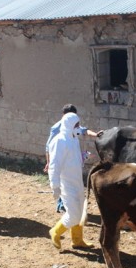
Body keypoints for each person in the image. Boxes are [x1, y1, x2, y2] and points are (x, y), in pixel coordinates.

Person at [44, 104, 102, 213]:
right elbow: (49, 147)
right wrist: (49, 162)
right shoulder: (57, 131)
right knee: (65, 186)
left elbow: (84, 131)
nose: (78, 125)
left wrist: (95, 136)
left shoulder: (74, 130)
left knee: (73, 194)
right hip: (63, 166)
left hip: (73, 169)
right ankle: (63, 208)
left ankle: (69, 211)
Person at [48, 112, 92, 250]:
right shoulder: (59, 141)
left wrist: (83, 156)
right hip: (66, 184)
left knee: (80, 212)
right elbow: (54, 164)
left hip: (77, 182)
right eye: (76, 125)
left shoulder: (73, 139)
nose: (79, 127)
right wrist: (55, 186)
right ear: (69, 125)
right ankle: (55, 231)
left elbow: (73, 159)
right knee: (73, 215)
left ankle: (77, 240)